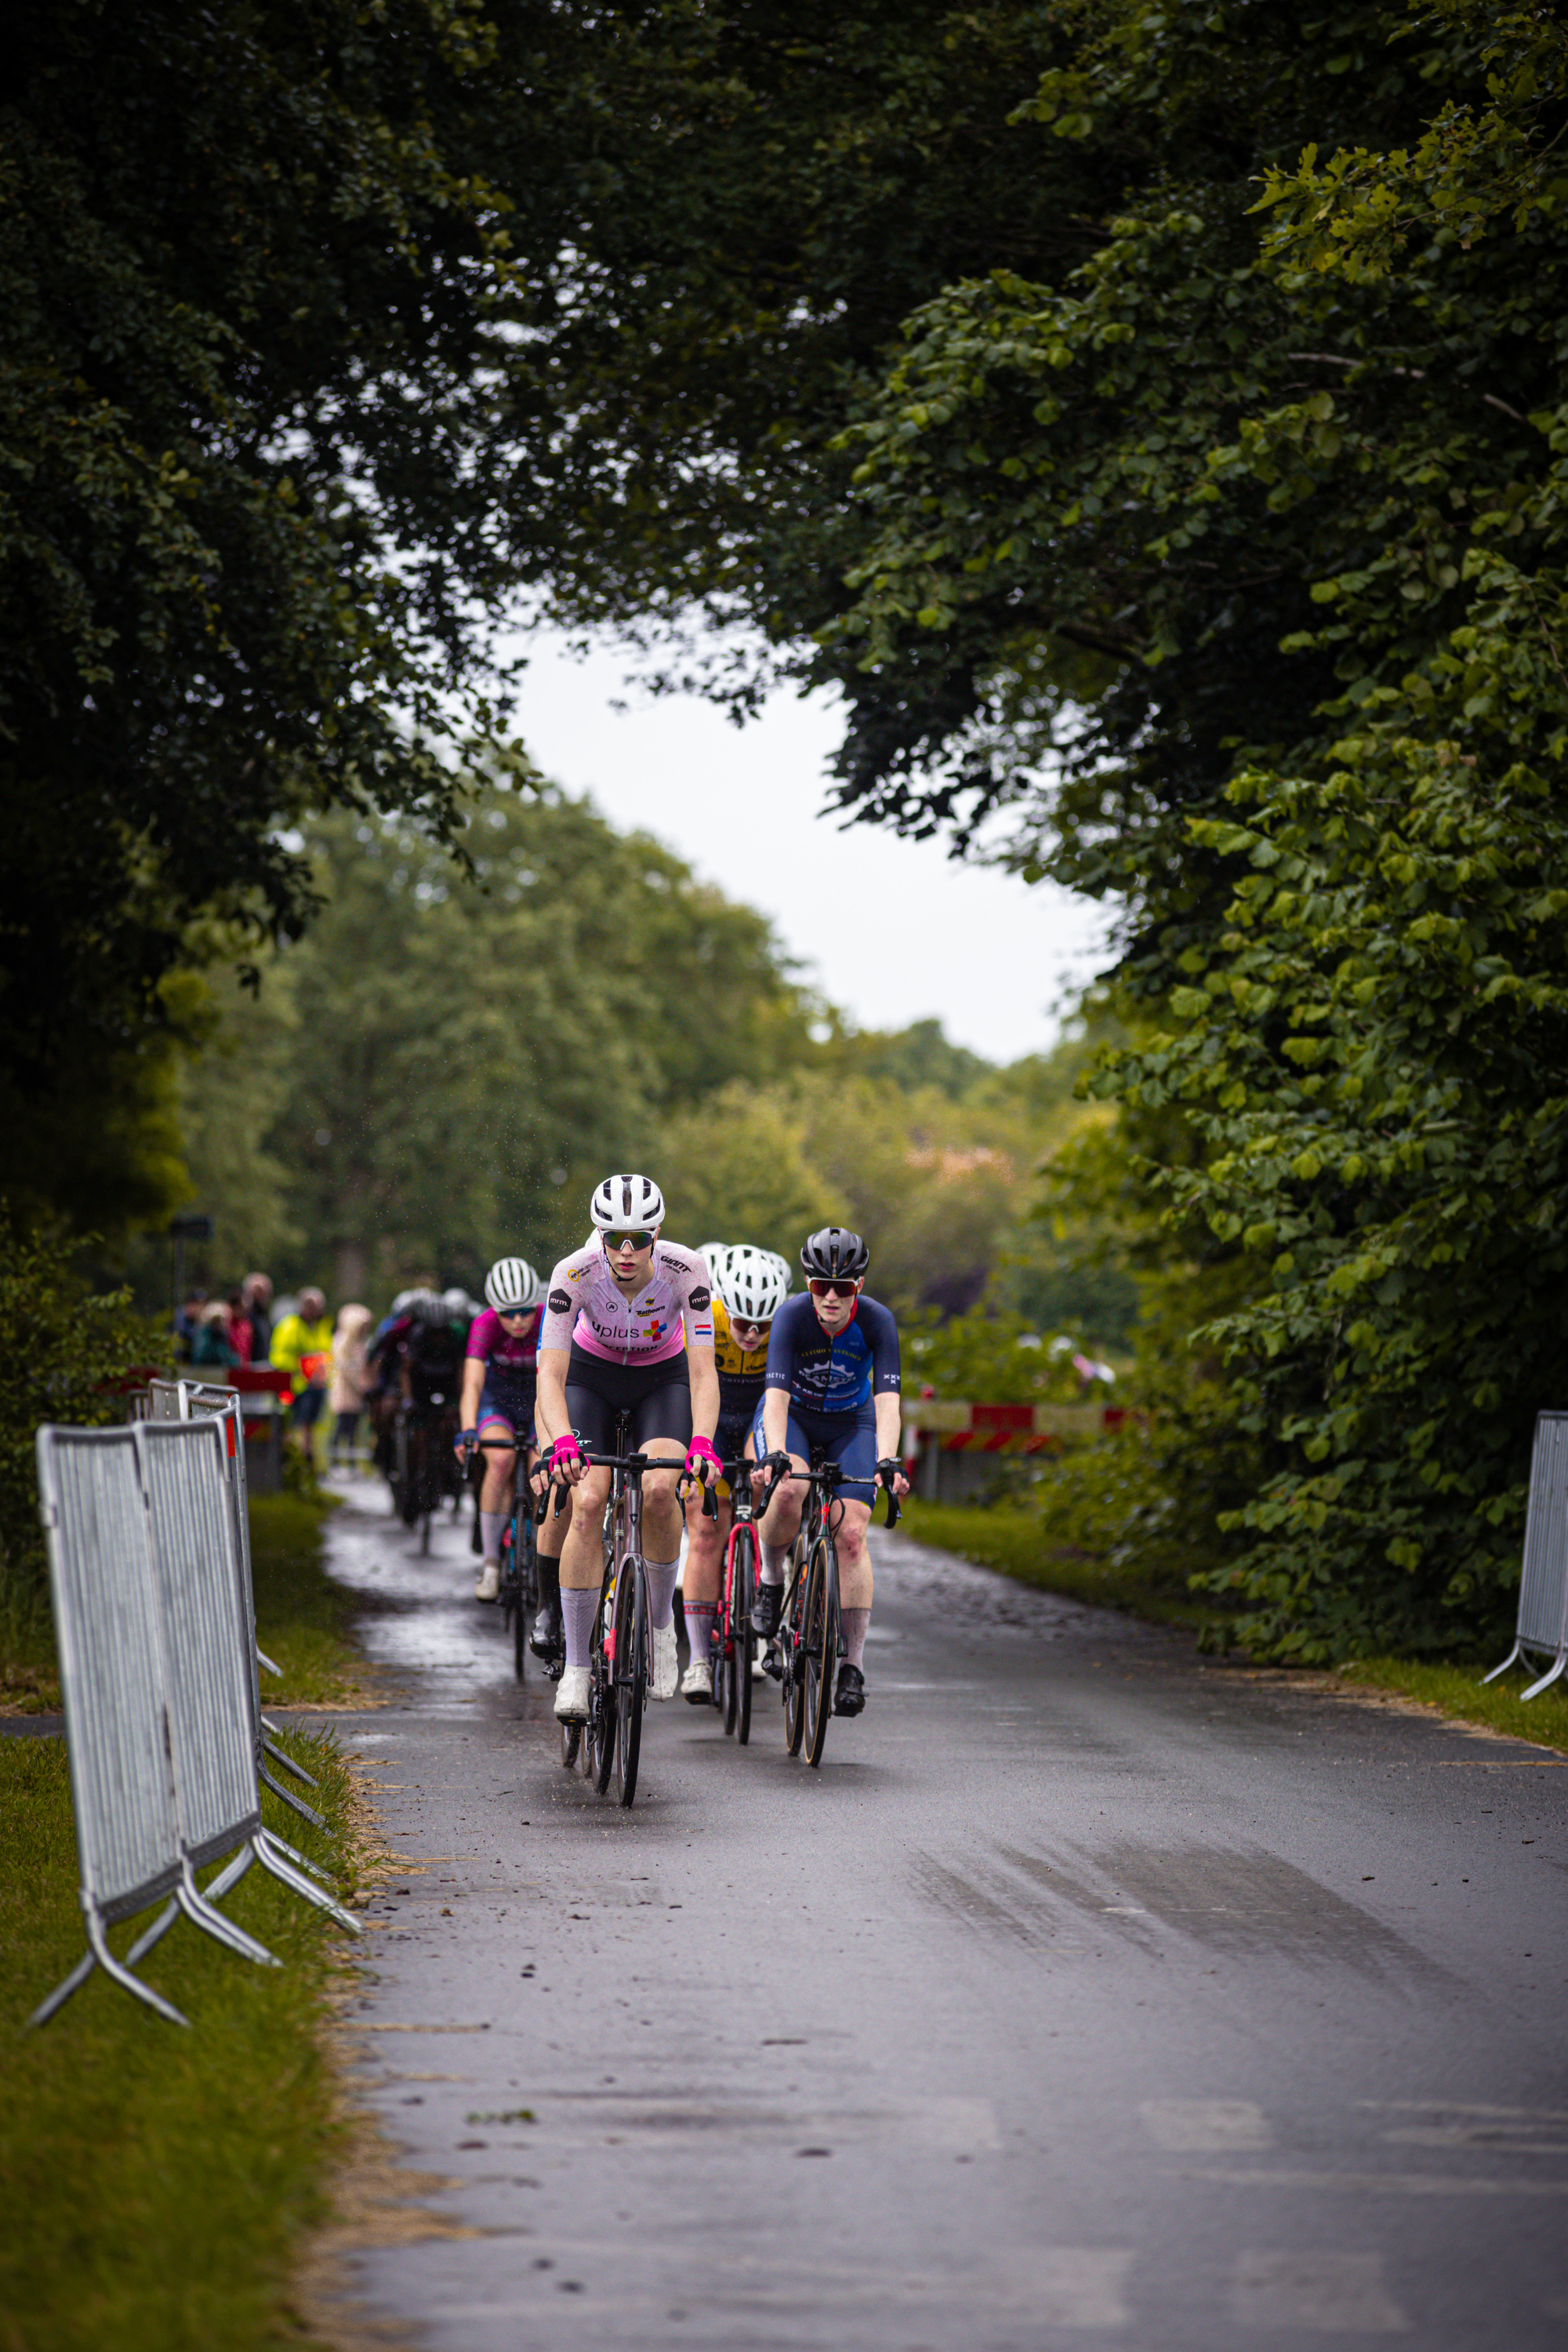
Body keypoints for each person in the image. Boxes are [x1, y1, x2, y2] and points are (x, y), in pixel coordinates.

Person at [532, 1173, 720, 1723]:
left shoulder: (688, 1271)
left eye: (639, 1237)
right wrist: (561, 1440)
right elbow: (551, 1372)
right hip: (590, 1377)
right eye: (615, 1238)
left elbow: (704, 1371)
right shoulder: (574, 1271)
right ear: (600, 1234)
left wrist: (704, 1443)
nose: (627, 1250)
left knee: (662, 1487)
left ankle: (662, 1630)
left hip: (661, 1379)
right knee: (588, 1502)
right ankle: (576, 1668)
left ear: (658, 1232)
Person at [753, 1226, 909, 1719]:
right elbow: (775, 1401)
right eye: (822, 1285)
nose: (833, 1297)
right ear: (808, 1282)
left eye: (845, 1288)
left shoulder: (879, 1322)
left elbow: (888, 1405)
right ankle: (771, 1574)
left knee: (853, 1536)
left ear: (859, 1287)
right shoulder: (792, 1316)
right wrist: (776, 1452)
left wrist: (887, 1459)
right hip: (795, 1419)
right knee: (788, 1490)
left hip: (852, 1423)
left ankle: (853, 1666)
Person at [679, 1243, 792, 1702]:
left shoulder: (783, 1329)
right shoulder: (705, 1320)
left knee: (772, 1488)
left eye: (762, 1327)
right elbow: (686, 1387)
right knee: (706, 1532)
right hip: (710, 1422)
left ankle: (761, 1617)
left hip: (755, 1421)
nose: (751, 1334)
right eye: (742, 1323)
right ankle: (700, 1660)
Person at [456, 1257, 545, 1605]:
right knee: (500, 1460)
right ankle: (491, 1563)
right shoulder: (484, 1324)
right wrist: (466, 1429)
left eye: (525, 1310)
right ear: (495, 1310)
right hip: (499, 1402)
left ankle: (542, 1554)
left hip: (540, 1400)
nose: (519, 1320)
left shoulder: (548, 1319)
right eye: (509, 1313)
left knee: (544, 1469)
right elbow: (473, 1385)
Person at [270, 1285, 333, 1453]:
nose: (316, 1310)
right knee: (293, 1425)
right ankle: (292, 1459)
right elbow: (280, 1356)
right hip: (296, 1387)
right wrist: (300, 1370)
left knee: (311, 1426)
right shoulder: (290, 1326)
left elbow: (325, 1351)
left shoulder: (321, 1326)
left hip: (316, 1385)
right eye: (312, 1306)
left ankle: (308, 1460)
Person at [329, 1303, 374, 1465]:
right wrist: (362, 1386)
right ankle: (334, 1462)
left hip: (358, 1395)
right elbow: (346, 1368)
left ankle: (351, 1464)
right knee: (342, 1429)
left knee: (354, 1432)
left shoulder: (361, 1343)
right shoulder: (343, 1341)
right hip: (346, 1393)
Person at [190, 1298, 240, 1369]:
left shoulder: (222, 1336)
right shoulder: (204, 1337)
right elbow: (201, 1357)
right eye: (216, 1320)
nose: (220, 1323)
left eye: (221, 1320)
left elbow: (232, 1359)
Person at [240, 1272, 274, 1366]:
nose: (261, 1295)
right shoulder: (242, 1317)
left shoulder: (265, 1315)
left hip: (262, 1366)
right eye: (257, 1291)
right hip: (247, 1368)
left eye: (264, 1292)